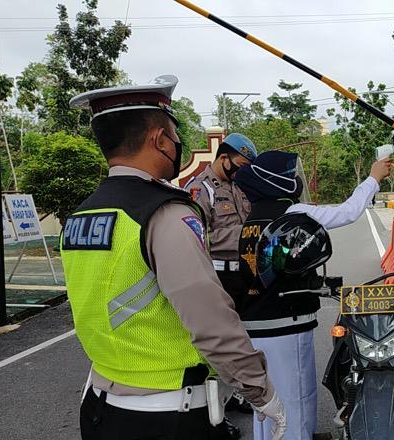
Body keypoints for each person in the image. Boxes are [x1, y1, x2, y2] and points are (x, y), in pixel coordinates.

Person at [63, 75, 286, 440]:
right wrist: (261, 391)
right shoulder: (164, 214)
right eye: (176, 135)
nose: (178, 144)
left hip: (101, 408)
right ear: (159, 139)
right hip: (168, 414)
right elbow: (210, 321)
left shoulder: (82, 215)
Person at [235, 150, 392, 440]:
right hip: (286, 325)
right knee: (293, 405)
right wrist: (373, 178)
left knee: (265, 405)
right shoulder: (293, 214)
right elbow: (348, 211)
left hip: (254, 326)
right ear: (279, 181)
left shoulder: (251, 218)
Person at [183, 133, 256, 438]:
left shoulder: (238, 188)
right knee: (217, 347)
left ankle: (236, 394)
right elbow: (198, 236)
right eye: (237, 166)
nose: (240, 172)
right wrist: (243, 235)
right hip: (217, 274)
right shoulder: (201, 190)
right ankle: (215, 413)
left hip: (243, 273)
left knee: (241, 340)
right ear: (223, 157)